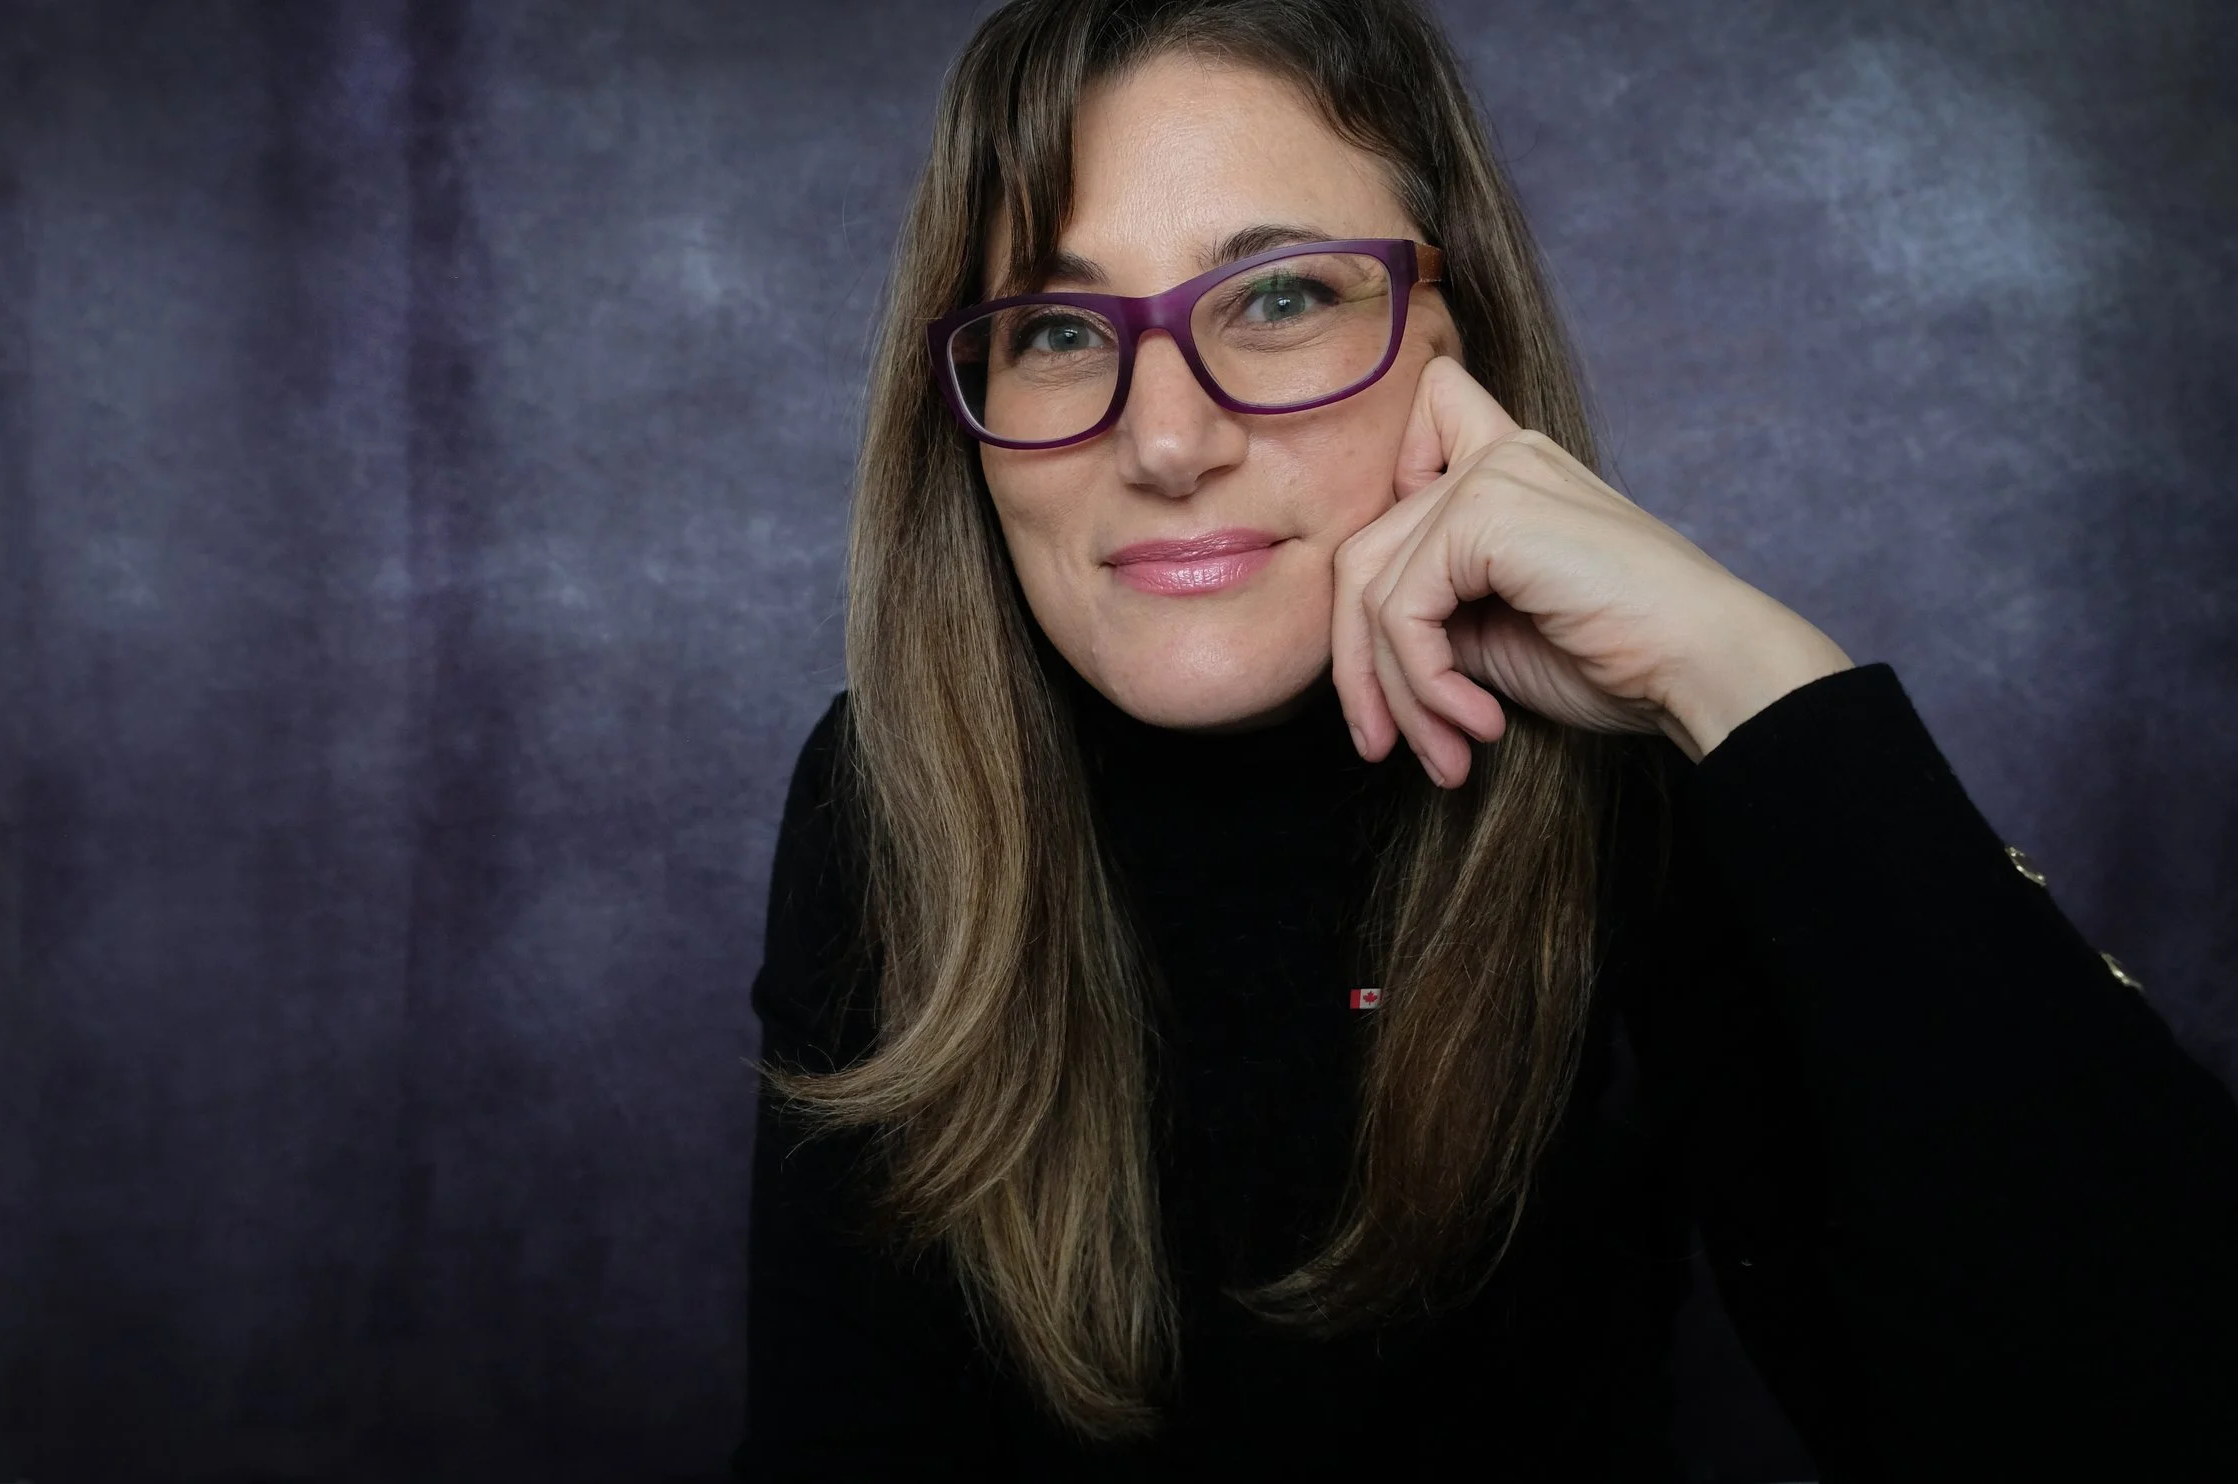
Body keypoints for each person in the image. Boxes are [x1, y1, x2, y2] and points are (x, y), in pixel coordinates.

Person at [730, 1, 2238, 1478]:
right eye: (1061, 329)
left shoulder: (1639, 787)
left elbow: (2145, 1395)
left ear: (1453, 347)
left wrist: (1754, 683)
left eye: (1279, 299)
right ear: (969, 409)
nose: (1170, 443)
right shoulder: (888, 793)